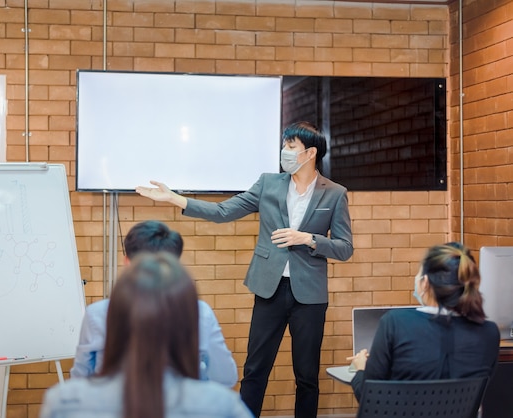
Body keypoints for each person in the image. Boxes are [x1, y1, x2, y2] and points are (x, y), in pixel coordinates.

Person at [136, 121, 354, 418]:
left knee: (306, 376)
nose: (285, 152)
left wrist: (309, 239)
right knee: (255, 370)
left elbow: (344, 247)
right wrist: (175, 198)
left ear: (310, 152)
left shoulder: (335, 193)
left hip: (310, 296)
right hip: (269, 288)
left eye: (291, 147)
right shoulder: (268, 183)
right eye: (285, 146)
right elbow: (223, 211)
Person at [41, 252, 253, 418]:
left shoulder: (64, 402)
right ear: (189, 325)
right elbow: (226, 377)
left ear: (113, 322)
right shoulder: (221, 405)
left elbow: (81, 371)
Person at [70, 220, 238, 388]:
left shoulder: (97, 313)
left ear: (126, 261)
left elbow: (80, 379)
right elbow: (225, 377)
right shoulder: (201, 312)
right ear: (175, 264)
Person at [348, 242, 500, 401]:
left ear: (425, 282)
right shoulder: (489, 332)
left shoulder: (395, 323)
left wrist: (361, 369)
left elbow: (369, 397)